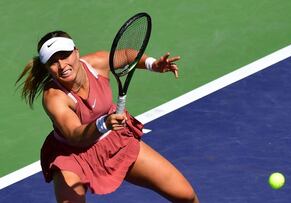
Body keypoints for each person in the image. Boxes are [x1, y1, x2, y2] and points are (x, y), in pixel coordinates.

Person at [16, 30, 199, 203]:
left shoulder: (97, 63)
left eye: (64, 55)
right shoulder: (54, 97)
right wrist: (103, 124)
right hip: (73, 155)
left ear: (76, 52)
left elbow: (127, 55)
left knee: (186, 195)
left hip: (115, 140)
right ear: (47, 68)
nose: (62, 65)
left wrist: (152, 64)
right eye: (53, 62)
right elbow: (75, 135)